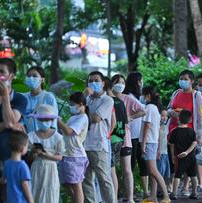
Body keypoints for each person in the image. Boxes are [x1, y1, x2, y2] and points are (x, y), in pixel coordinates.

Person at [167, 70, 202, 196]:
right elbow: (168, 109)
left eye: (185, 79)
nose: (182, 81)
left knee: (187, 161)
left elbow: (200, 116)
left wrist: (200, 134)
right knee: (174, 159)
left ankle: (186, 187)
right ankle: (172, 186)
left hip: (189, 133)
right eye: (181, 78)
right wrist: (173, 113)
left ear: (192, 81)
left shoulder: (196, 95)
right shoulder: (176, 93)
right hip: (173, 131)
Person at [111, 74, 145, 203]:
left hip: (125, 137)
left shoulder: (127, 99)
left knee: (127, 169)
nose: (120, 85)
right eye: (117, 82)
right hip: (110, 137)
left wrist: (130, 118)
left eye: (122, 82)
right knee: (111, 169)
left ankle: (130, 198)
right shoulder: (108, 99)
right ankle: (113, 198)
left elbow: (142, 110)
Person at [82, 71, 115, 203]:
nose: (93, 83)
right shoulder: (87, 99)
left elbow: (96, 118)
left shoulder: (108, 100)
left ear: (103, 83)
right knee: (86, 179)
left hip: (98, 145)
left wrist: (83, 107)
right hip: (83, 145)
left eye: (97, 80)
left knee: (104, 179)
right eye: (91, 81)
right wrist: (84, 99)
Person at [0, 58, 27, 201]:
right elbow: (10, 123)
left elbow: (10, 122)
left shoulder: (20, 99)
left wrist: (4, 96)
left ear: (11, 76)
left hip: (9, 159)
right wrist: (8, 124)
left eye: (1, 72)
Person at [28, 104, 64, 203]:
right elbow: (29, 159)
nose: (44, 122)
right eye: (41, 120)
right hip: (36, 168)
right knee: (35, 193)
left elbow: (60, 157)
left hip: (51, 170)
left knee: (50, 195)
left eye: (46, 120)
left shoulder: (57, 137)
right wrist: (33, 153)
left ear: (51, 120)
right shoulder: (31, 136)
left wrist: (46, 155)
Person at [140, 86, 170, 203]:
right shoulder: (155, 109)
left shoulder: (149, 108)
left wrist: (143, 144)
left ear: (147, 95)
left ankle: (166, 195)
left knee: (153, 170)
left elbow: (147, 126)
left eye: (143, 94)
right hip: (153, 142)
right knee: (153, 170)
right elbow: (156, 128)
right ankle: (153, 196)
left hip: (149, 142)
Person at [57, 92, 89, 203]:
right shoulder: (73, 118)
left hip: (76, 156)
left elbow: (69, 131)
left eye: (72, 104)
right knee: (67, 184)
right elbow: (64, 133)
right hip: (67, 154)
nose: (71, 106)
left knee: (76, 185)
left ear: (81, 104)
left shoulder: (83, 117)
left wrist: (59, 121)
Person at [123, 72, 149, 198]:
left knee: (142, 163)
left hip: (138, 135)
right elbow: (141, 112)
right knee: (131, 165)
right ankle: (130, 193)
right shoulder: (128, 96)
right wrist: (131, 117)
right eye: (141, 80)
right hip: (131, 135)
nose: (141, 83)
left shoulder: (137, 96)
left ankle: (145, 192)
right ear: (137, 81)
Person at [169, 110, 198, 200]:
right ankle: (194, 193)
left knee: (178, 175)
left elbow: (171, 145)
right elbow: (194, 143)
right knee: (193, 175)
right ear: (189, 120)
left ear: (179, 119)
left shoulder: (175, 131)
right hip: (191, 157)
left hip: (180, 156)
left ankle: (174, 193)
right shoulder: (191, 131)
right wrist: (187, 152)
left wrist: (173, 156)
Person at [1, 131, 34, 203]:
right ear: (22, 149)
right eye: (27, 146)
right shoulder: (23, 166)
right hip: (21, 201)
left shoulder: (7, 163)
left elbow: (3, 180)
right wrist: (31, 201)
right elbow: (25, 185)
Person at [23, 66, 58, 133]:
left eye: (34, 76)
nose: (31, 78)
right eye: (29, 76)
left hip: (44, 138)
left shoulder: (48, 97)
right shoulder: (23, 98)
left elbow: (54, 121)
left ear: (42, 80)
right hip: (27, 138)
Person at [157, 109, 171, 194]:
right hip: (160, 152)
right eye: (162, 115)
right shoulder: (157, 126)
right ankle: (159, 189)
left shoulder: (166, 126)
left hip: (165, 152)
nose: (164, 118)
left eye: (166, 116)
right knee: (160, 171)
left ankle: (163, 189)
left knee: (166, 172)